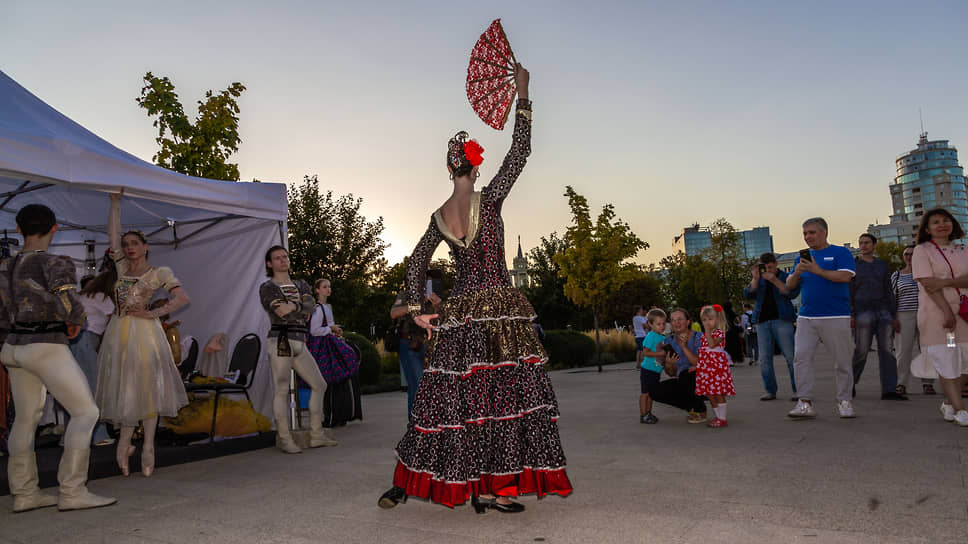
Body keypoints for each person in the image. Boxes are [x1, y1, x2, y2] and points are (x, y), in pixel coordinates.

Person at [380, 64, 572, 514]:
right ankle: (493, 486)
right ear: (475, 163)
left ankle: (468, 486)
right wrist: (523, 95)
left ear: (450, 168)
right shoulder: (490, 199)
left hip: (462, 314)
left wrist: (417, 310)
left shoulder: (438, 217)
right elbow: (520, 153)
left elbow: (415, 261)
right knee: (503, 398)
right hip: (500, 311)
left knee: (455, 402)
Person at [0, 204, 116, 512]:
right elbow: (69, 303)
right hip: (45, 344)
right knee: (85, 413)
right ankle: (73, 491)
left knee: (25, 420)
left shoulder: (5, 267)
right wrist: (76, 318)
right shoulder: (55, 262)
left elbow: (2, 316)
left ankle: (24, 494)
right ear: (54, 228)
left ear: (19, 229)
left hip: (13, 347)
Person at [96, 192, 190, 477]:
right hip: (119, 332)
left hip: (145, 332)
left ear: (146, 246)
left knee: (148, 387)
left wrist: (152, 314)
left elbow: (182, 298)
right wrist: (114, 204)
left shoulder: (158, 272)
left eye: (135, 243)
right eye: (127, 244)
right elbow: (113, 237)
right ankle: (124, 441)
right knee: (126, 387)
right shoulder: (123, 268)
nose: (129, 247)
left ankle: (148, 445)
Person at [259, 246, 337, 453]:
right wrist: (299, 307)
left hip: (300, 341)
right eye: (277, 258)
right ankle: (284, 438)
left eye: (285, 256)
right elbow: (282, 311)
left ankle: (316, 435)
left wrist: (294, 307)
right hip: (280, 340)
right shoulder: (267, 287)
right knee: (282, 389)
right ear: (270, 264)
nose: (283, 260)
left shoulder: (301, 283)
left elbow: (310, 308)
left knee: (319, 384)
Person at [785, 217, 857, 419]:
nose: (808, 237)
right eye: (805, 233)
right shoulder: (802, 259)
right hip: (806, 316)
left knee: (842, 360)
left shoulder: (840, 253)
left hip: (836, 315)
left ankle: (844, 401)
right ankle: (804, 402)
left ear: (824, 232)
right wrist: (797, 273)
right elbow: (789, 286)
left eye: (812, 232)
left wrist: (818, 270)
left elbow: (845, 277)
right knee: (801, 358)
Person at [910, 208, 968, 425]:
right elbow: (928, 284)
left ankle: (949, 403)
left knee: (965, 362)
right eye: (935, 222)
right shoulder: (922, 251)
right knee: (947, 358)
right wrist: (946, 312)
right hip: (938, 316)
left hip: (965, 313)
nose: (942, 224)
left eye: (946, 220)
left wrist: (945, 282)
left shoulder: (963, 250)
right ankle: (961, 410)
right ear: (927, 229)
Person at [850, 233, 906, 400]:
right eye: (861, 243)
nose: (863, 245)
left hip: (883, 312)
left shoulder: (882, 265)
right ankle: (849, 383)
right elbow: (849, 292)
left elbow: (889, 291)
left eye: (867, 242)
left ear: (874, 245)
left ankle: (889, 389)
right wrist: (851, 314)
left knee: (887, 351)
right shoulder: (854, 266)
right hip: (862, 312)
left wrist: (894, 315)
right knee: (861, 350)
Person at [68, 269, 117, 446]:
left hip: (72, 342)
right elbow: (116, 321)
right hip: (86, 340)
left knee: (72, 390)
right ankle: (99, 435)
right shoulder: (102, 297)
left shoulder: (84, 295)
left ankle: (69, 437)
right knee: (93, 387)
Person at [306, 278, 361, 427]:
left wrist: (334, 330)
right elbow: (314, 331)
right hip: (323, 350)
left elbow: (327, 327)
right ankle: (329, 417)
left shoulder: (326, 307)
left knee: (335, 381)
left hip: (329, 346)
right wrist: (331, 329)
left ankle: (337, 416)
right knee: (328, 382)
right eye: (324, 287)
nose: (328, 289)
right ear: (317, 290)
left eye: (329, 286)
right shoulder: (317, 308)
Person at [745, 253, 799, 401]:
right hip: (762, 321)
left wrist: (774, 280)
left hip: (782, 320)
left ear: (776, 264)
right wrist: (755, 279)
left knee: (790, 356)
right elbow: (748, 295)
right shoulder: (760, 279)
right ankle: (770, 390)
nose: (767, 270)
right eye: (764, 268)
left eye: (770, 267)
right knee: (764, 359)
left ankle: (798, 390)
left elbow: (791, 293)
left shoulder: (785, 276)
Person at [389, 288, 440, 420]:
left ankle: (426, 422)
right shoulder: (405, 294)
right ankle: (415, 424)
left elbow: (440, 319)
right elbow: (394, 313)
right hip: (410, 344)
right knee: (417, 385)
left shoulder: (431, 295)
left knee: (430, 385)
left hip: (428, 345)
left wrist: (437, 305)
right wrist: (417, 305)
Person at [892, 244, 936, 395]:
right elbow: (893, 298)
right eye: (906, 254)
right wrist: (894, 318)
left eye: (912, 254)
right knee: (903, 351)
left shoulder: (927, 273)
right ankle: (901, 383)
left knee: (927, 350)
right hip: (904, 315)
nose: (909, 257)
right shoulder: (897, 275)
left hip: (926, 314)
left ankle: (928, 383)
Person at [659, 308, 709, 423]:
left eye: (680, 319)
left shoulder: (699, 337)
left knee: (687, 375)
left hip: (701, 377)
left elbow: (698, 363)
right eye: (673, 320)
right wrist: (669, 364)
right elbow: (671, 373)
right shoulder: (668, 340)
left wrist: (684, 346)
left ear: (688, 322)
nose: (676, 322)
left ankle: (700, 409)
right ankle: (691, 407)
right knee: (654, 390)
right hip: (682, 379)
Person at [695, 305, 736, 427]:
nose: (707, 322)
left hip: (716, 368)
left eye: (710, 319)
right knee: (709, 393)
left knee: (717, 392)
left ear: (717, 319)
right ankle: (718, 416)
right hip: (706, 368)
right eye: (704, 320)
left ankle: (722, 418)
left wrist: (707, 332)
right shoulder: (703, 335)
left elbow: (712, 345)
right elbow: (703, 350)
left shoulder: (719, 333)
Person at [636, 308, 666, 424]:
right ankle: (643, 415)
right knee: (645, 393)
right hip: (647, 370)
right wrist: (660, 353)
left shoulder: (663, 338)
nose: (662, 326)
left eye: (663, 323)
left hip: (656, 371)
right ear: (650, 324)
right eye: (658, 324)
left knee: (652, 394)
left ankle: (649, 413)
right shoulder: (651, 336)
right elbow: (646, 352)